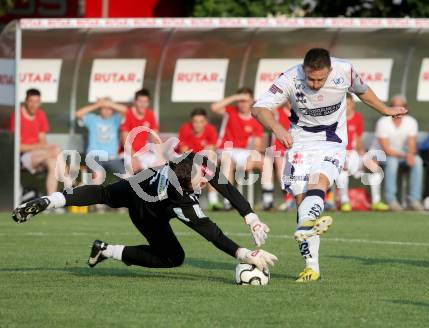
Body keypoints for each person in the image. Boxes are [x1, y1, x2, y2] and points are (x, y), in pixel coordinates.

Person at [252, 48, 407, 282]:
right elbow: (258, 108)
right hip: (299, 144)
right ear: (304, 69)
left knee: (319, 182)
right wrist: (277, 128)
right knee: (301, 202)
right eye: (310, 78)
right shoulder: (291, 77)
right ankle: (311, 266)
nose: (314, 84)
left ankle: (306, 226)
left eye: (320, 79)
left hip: (332, 142)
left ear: (330, 70)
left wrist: (386, 110)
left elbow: (363, 92)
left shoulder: (345, 70)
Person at [12, 152, 277, 273]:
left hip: (137, 183)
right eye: (200, 183)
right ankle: (110, 251)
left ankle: (51, 200)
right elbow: (211, 232)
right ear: (184, 185)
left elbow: (222, 182)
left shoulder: (194, 163)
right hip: (148, 212)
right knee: (173, 257)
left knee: (103, 193)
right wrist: (243, 253)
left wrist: (250, 215)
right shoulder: (181, 199)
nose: (205, 182)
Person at [211, 87, 264, 209]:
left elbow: (257, 144)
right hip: (226, 149)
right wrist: (236, 97)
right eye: (240, 100)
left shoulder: (256, 118)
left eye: (245, 100)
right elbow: (214, 107)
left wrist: (252, 157)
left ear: (251, 101)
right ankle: (228, 202)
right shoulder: (230, 111)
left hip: (244, 152)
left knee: (265, 161)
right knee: (227, 162)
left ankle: (268, 201)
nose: (242, 103)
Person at [9, 88, 69, 195]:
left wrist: (42, 147)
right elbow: (16, 146)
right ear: (26, 101)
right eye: (31, 101)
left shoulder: (40, 115)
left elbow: (42, 140)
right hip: (20, 157)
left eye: (37, 102)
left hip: (38, 155)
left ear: (40, 102)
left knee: (53, 163)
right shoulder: (17, 116)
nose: (34, 105)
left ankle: (52, 201)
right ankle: (70, 186)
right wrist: (39, 147)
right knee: (56, 149)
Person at [337, 93, 388, 212]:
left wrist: (363, 155)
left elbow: (359, 140)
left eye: (349, 104)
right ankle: (345, 202)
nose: (347, 107)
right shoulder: (337, 120)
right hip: (341, 155)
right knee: (342, 170)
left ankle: (376, 201)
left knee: (374, 168)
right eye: (344, 105)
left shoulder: (358, 117)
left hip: (355, 155)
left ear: (353, 104)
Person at [374, 95, 423, 211]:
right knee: (392, 162)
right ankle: (391, 200)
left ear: (405, 108)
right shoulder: (383, 122)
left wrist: (410, 155)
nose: (397, 110)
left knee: (418, 161)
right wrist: (406, 155)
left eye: (401, 107)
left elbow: (412, 144)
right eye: (394, 107)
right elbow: (386, 149)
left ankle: (414, 199)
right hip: (381, 155)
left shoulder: (411, 122)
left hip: (401, 155)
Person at [76, 97, 127, 184]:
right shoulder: (92, 119)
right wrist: (98, 104)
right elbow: (78, 113)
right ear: (100, 109)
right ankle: (96, 197)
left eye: (109, 108)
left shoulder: (116, 119)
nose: (107, 111)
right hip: (94, 156)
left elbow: (126, 110)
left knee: (128, 179)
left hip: (112, 158)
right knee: (98, 177)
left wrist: (108, 103)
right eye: (104, 108)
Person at [177, 108, 220, 209]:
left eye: (201, 122)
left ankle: (213, 200)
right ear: (191, 122)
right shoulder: (185, 128)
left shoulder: (210, 129)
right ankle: (188, 199)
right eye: (195, 122)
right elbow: (184, 151)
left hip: (201, 160)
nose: (197, 124)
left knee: (211, 160)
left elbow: (211, 149)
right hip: (185, 161)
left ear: (205, 122)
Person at [261, 101, 294, 211]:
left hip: (297, 149)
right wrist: (283, 99)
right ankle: (272, 201)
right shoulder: (278, 112)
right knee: (278, 164)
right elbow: (266, 110)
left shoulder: (301, 113)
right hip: (279, 149)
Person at [120, 89, 160, 173]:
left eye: (145, 102)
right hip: (128, 153)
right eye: (140, 101)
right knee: (136, 168)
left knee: (160, 164)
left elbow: (155, 138)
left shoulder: (150, 114)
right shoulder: (128, 114)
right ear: (135, 102)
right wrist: (134, 158)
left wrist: (161, 152)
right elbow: (125, 142)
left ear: (148, 103)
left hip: (143, 152)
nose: (143, 104)